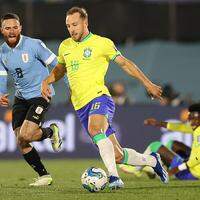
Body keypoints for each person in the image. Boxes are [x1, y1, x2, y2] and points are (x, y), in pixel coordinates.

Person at [41, 7, 168, 189]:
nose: (71, 29)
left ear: (85, 22)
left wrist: (147, 83)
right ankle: (152, 161)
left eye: (75, 24)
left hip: (99, 98)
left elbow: (125, 63)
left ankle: (114, 177)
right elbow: (60, 69)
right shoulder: (65, 46)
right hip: (80, 106)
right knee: (117, 155)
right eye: (68, 26)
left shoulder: (101, 43)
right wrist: (47, 80)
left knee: (95, 129)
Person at [0, 13, 62, 186]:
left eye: (15, 27)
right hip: (20, 98)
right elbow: (2, 74)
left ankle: (50, 131)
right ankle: (44, 175)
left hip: (41, 95)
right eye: (7, 28)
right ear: (2, 30)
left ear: (20, 28)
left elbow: (58, 64)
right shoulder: (2, 51)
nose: (11, 31)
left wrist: (71, 86)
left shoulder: (34, 45)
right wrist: (2, 92)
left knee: (27, 135)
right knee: (21, 140)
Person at [129, 103, 200, 180]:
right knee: (172, 144)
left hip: (191, 173)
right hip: (194, 167)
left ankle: (136, 169)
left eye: (193, 118)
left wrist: (178, 168)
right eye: (190, 117)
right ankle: (153, 170)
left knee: (155, 146)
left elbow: (198, 158)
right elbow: (181, 127)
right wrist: (158, 123)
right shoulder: (197, 127)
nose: (190, 120)